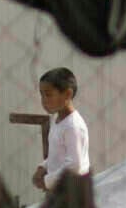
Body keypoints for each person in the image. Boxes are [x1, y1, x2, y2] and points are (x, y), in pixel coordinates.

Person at [35, 66, 92, 194]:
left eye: (48, 95)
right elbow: (60, 155)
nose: (44, 100)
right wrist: (43, 167)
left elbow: (74, 165)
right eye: (41, 95)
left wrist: (47, 181)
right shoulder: (58, 121)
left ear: (67, 94)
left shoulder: (73, 126)